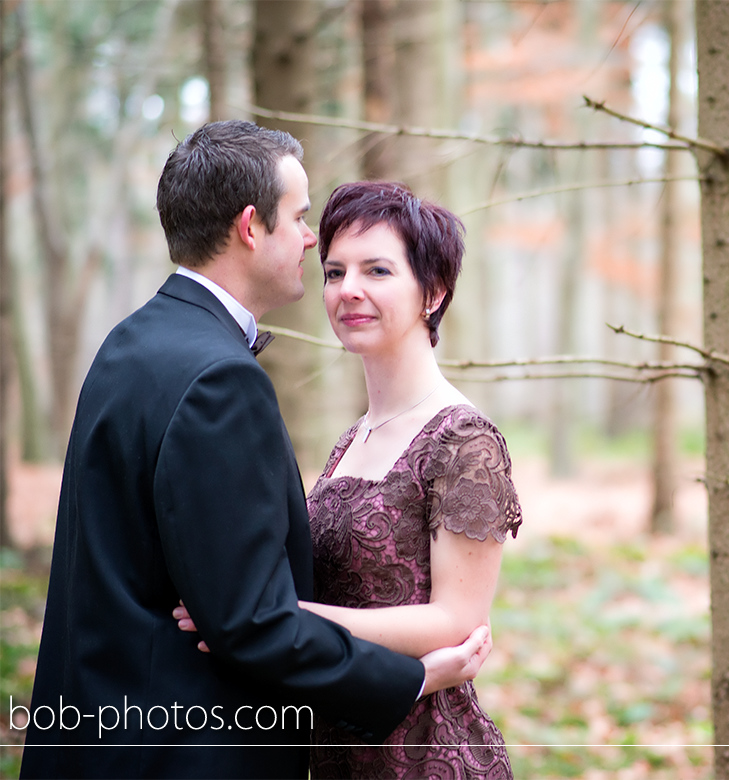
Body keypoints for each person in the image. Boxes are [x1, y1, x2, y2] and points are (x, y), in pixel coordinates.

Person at [20, 122, 489, 780]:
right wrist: (410, 680)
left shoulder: (130, 344)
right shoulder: (220, 379)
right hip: (179, 751)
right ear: (250, 226)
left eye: (376, 269)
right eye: (299, 219)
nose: (307, 237)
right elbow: (251, 624)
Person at [178, 181, 522, 778]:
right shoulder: (351, 439)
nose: (349, 291)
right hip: (338, 745)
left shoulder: (464, 441)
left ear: (433, 293)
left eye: (378, 270)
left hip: (424, 753)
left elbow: (458, 623)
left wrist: (281, 619)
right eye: (335, 272)